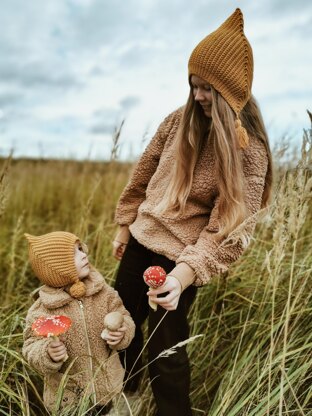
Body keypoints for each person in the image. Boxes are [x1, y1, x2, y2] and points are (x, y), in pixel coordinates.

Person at [112, 8, 273, 416]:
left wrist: (181, 279)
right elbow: (142, 174)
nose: (198, 95)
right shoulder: (177, 121)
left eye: (207, 88)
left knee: (168, 351)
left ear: (231, 93)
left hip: (180, 259)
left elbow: (228, 230)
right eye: (193, 85)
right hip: (140, 242)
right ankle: (121, 396)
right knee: (118, 324)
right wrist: (124, 226)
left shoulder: (246, 150)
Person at [23, 231, 135, 415]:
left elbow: (125, 317)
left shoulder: (103, 292)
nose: (84, 255)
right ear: (57, 267)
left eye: (81, 249)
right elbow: (30, 346)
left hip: (108, 388)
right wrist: (47, 353)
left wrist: (122, 334)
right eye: (74, 253)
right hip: (69, 398)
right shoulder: (42, 310)